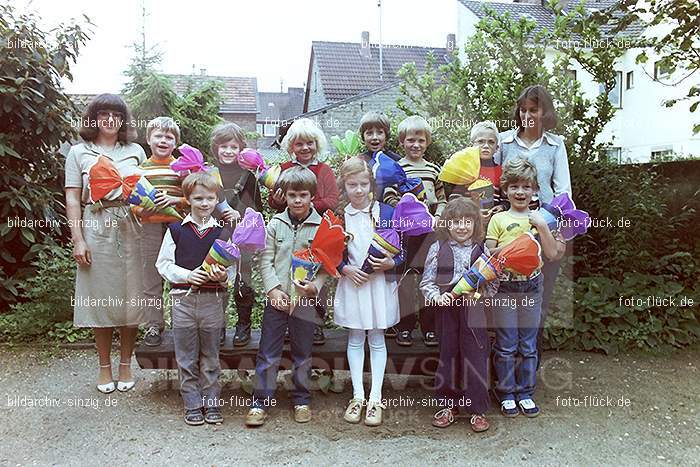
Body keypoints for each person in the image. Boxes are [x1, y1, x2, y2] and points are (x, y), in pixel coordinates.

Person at [64, 93, 146, 394]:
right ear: (94, 118)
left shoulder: (136, 151)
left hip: (130, 227)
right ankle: (104, 367)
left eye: (116, 114)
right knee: (101, 299)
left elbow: (146, 191)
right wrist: (78, 240)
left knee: (130, 300)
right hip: (96, 225)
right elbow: (73, 197)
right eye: (103, 114)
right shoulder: (78, 152)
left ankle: (125, 364)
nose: (110, 119)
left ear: (123, 119)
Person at [245, 167, 328, 427]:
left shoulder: (322, 226)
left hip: (304, 303)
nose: (298, 200)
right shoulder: (275, 224)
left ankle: (301, 399)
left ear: (312, 196)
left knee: (303, 353)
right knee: (268, 353)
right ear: (285, 196)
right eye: (292, 195)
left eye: (303, 195)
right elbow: (265, 260)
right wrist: (272, 290)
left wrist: (314, 287)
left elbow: (326, 265)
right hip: (278, 301)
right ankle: (261, 402)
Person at [496, 85, 572, 361]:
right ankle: (503, 367)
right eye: (523, 109)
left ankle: (529, 367)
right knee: (502, 296)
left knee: (536, 300)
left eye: (534, 110)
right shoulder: (503, 143)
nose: (527, 115)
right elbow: (491, 184)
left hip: (543, 230)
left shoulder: (555, 145)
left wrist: (548, 225)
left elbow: (564, 193)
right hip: (507, 230)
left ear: (545, 112)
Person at [486, 158, 565, 418]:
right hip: (505, 287)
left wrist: (541, 227)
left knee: (528, 344)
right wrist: (515, 249)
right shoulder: (498, 218)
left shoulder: (544, 218)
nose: (520, 192)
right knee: (507, 344)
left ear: (535, 190)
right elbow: (489, 251)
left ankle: (526, 392)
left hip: (532, 286)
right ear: (505, 189)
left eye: (526, 187)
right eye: (515, 187)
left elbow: (552, 254)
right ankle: (506, 392)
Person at [155, 171, 234, 425]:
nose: (204, 203)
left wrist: (222, 276)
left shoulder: (222, 232)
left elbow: (231, 269)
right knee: (186, 356)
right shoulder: (176, 229)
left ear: (215, 200)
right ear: (187, 199)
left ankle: (211, 402)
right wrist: (189, 276)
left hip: (213, 301)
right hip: (183, 300)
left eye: (210, 198)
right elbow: (163, 264)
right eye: (198, 198)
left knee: (211, 355)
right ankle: (192, 402)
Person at [334, 157, 401, 427]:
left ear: (371, 184)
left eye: (363, 184)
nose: (359, 190)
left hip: (378, 285)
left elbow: (402, 250)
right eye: (352, 185)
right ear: (344, 186)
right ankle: (357, 396)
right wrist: (344, 269)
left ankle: (375, 398)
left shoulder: (385, 212)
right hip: (353, 283)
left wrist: (390, 263)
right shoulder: (339, 217)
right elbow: (327, 254)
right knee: (355, 337)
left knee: (377, 337)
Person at [420, 197, 495, 433]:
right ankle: (448, 405)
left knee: (476, 356)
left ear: (475, 224)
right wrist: (436, 297)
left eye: (467, 221)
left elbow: (493, 285)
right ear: (446, 225)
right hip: (446, 309)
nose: (462, 227)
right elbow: (427, 283)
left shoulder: (483, 250)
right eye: (455, 222)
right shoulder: (437, 248)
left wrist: (482, 295)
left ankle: (477, 409)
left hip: (474, 309)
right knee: (448, 355)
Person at [268, 117, 338, 345]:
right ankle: (288, 322)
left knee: (315, 272)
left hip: (317, 228)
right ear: (291, 147)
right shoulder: (285, 169)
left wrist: (308, 205)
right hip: (288, 227)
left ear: (317, 144)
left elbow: (332, 200)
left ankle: (315, 324)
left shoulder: (324, 170)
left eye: (310, 143)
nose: (305, 148)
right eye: (299, 144)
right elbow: (275, 201)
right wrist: (278, 200)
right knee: (288, 271)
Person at [209, 123, 264, 347]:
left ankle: (243, 325)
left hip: (243, 238)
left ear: (241, 148)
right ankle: (219, 327)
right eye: (224, 146)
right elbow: (200, 202)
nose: (229, 151)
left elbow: (257, 211)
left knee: (244, 283)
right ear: (216, 148)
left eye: (234, 146)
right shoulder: (209, 173)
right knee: (216, 282)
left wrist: (239, 214)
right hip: (216, 236)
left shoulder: (248, 176)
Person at [136, 117, 188, 347]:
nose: (163, 140)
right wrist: (141, 207)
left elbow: (194, 198)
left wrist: (175, 198)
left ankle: (183, 323)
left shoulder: (182, 168)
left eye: (169, 137)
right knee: (151, 280)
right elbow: (132, 203)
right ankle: (154, 325)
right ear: (148, 140)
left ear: (175, 143)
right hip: (150, 228)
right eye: (158, 135)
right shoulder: (140, 170)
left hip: (178, 229)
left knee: (181, 276)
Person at [395, 116, 445, 347]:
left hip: (430, 232)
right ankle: (404, 326)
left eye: (421, 140)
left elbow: (442, 198)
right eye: (410, 140)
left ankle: (431, 327)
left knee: (429, 278)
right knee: (406, 279)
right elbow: (390, 197)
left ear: (428, 143)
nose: (416, 145)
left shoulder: (434, 169)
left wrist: (437, 217)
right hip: (406, 233)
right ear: (402, 142)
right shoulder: (398, 168)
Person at [357, 111, 402, 206]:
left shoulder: (396, 161)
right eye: (369, 133)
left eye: (380, 133)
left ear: (386, 135)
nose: (374, 137)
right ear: (363, 137)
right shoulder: (359, 161)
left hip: (392, 209)